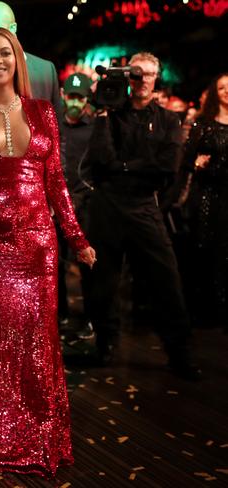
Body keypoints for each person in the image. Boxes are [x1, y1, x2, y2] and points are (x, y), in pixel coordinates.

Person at [0, 28, 95, 478]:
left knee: (36, 343)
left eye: (5, 53)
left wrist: (77, 238)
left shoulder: (44, 111)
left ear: (18, 61)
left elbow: (57, 185)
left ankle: (39, 440)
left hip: (37, 248)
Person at [82, 52, 201, 380]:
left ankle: (179, 351)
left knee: (167, 279)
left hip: (143, 207)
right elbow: (100, 160)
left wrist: (121, 167)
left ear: (157, 77)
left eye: (149, 74)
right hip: (108, 206)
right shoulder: (111, 114)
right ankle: (105, 343)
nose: (143, 80)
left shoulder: (168, 120)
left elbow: (166, 168)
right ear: (127, 77)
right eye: (136, 74)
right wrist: (104, 112)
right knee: (102, 282)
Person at [180, 72, 228, 330]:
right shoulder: (204, 124)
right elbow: (186, 161)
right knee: (205, 249)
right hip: (208, 196)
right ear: (215, 93)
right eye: (222, 88)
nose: (227, 92)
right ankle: (202, 309)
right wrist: (196, 165)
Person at [56, 73, 96, 335]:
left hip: (85, 204)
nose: (75, 102)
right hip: (56, 204)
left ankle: (90, 318)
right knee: (55, 263)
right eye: (72, 96)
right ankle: (59, 315)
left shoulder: (94, 128)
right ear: (63, 95)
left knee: (87, 262)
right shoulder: (54, 125)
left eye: (80, 98)